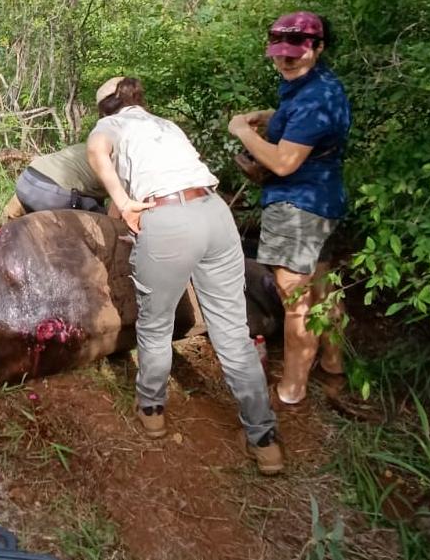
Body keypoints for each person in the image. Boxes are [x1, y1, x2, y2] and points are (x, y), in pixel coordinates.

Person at [87, 76, 283, 475]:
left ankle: (152, 410)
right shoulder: (166, 126)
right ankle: (265, 441)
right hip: (214, 212)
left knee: (156, 326)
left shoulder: (109, 126)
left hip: (169, 220)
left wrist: (124, 204)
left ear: (106, 106)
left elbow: (96, 154)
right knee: (231, 330)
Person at [228, 11, 351, 406]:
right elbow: (300, 125)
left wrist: (244, 130)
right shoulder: (320, 86)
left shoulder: (314, 98)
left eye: (295, 53)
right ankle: (333, 366)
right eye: (279, 53)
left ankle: (292, 389)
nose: (284, 61)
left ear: (318, 48)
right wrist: (269, 117)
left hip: (298, 206)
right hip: (324, 199)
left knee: (295, 300)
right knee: (323, 287)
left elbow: (283, 162)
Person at [2, 143, 108, 220]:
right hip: (51, 194)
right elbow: (117, 211)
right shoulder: (118, 163)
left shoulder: (87, 146)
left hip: (26, 180)